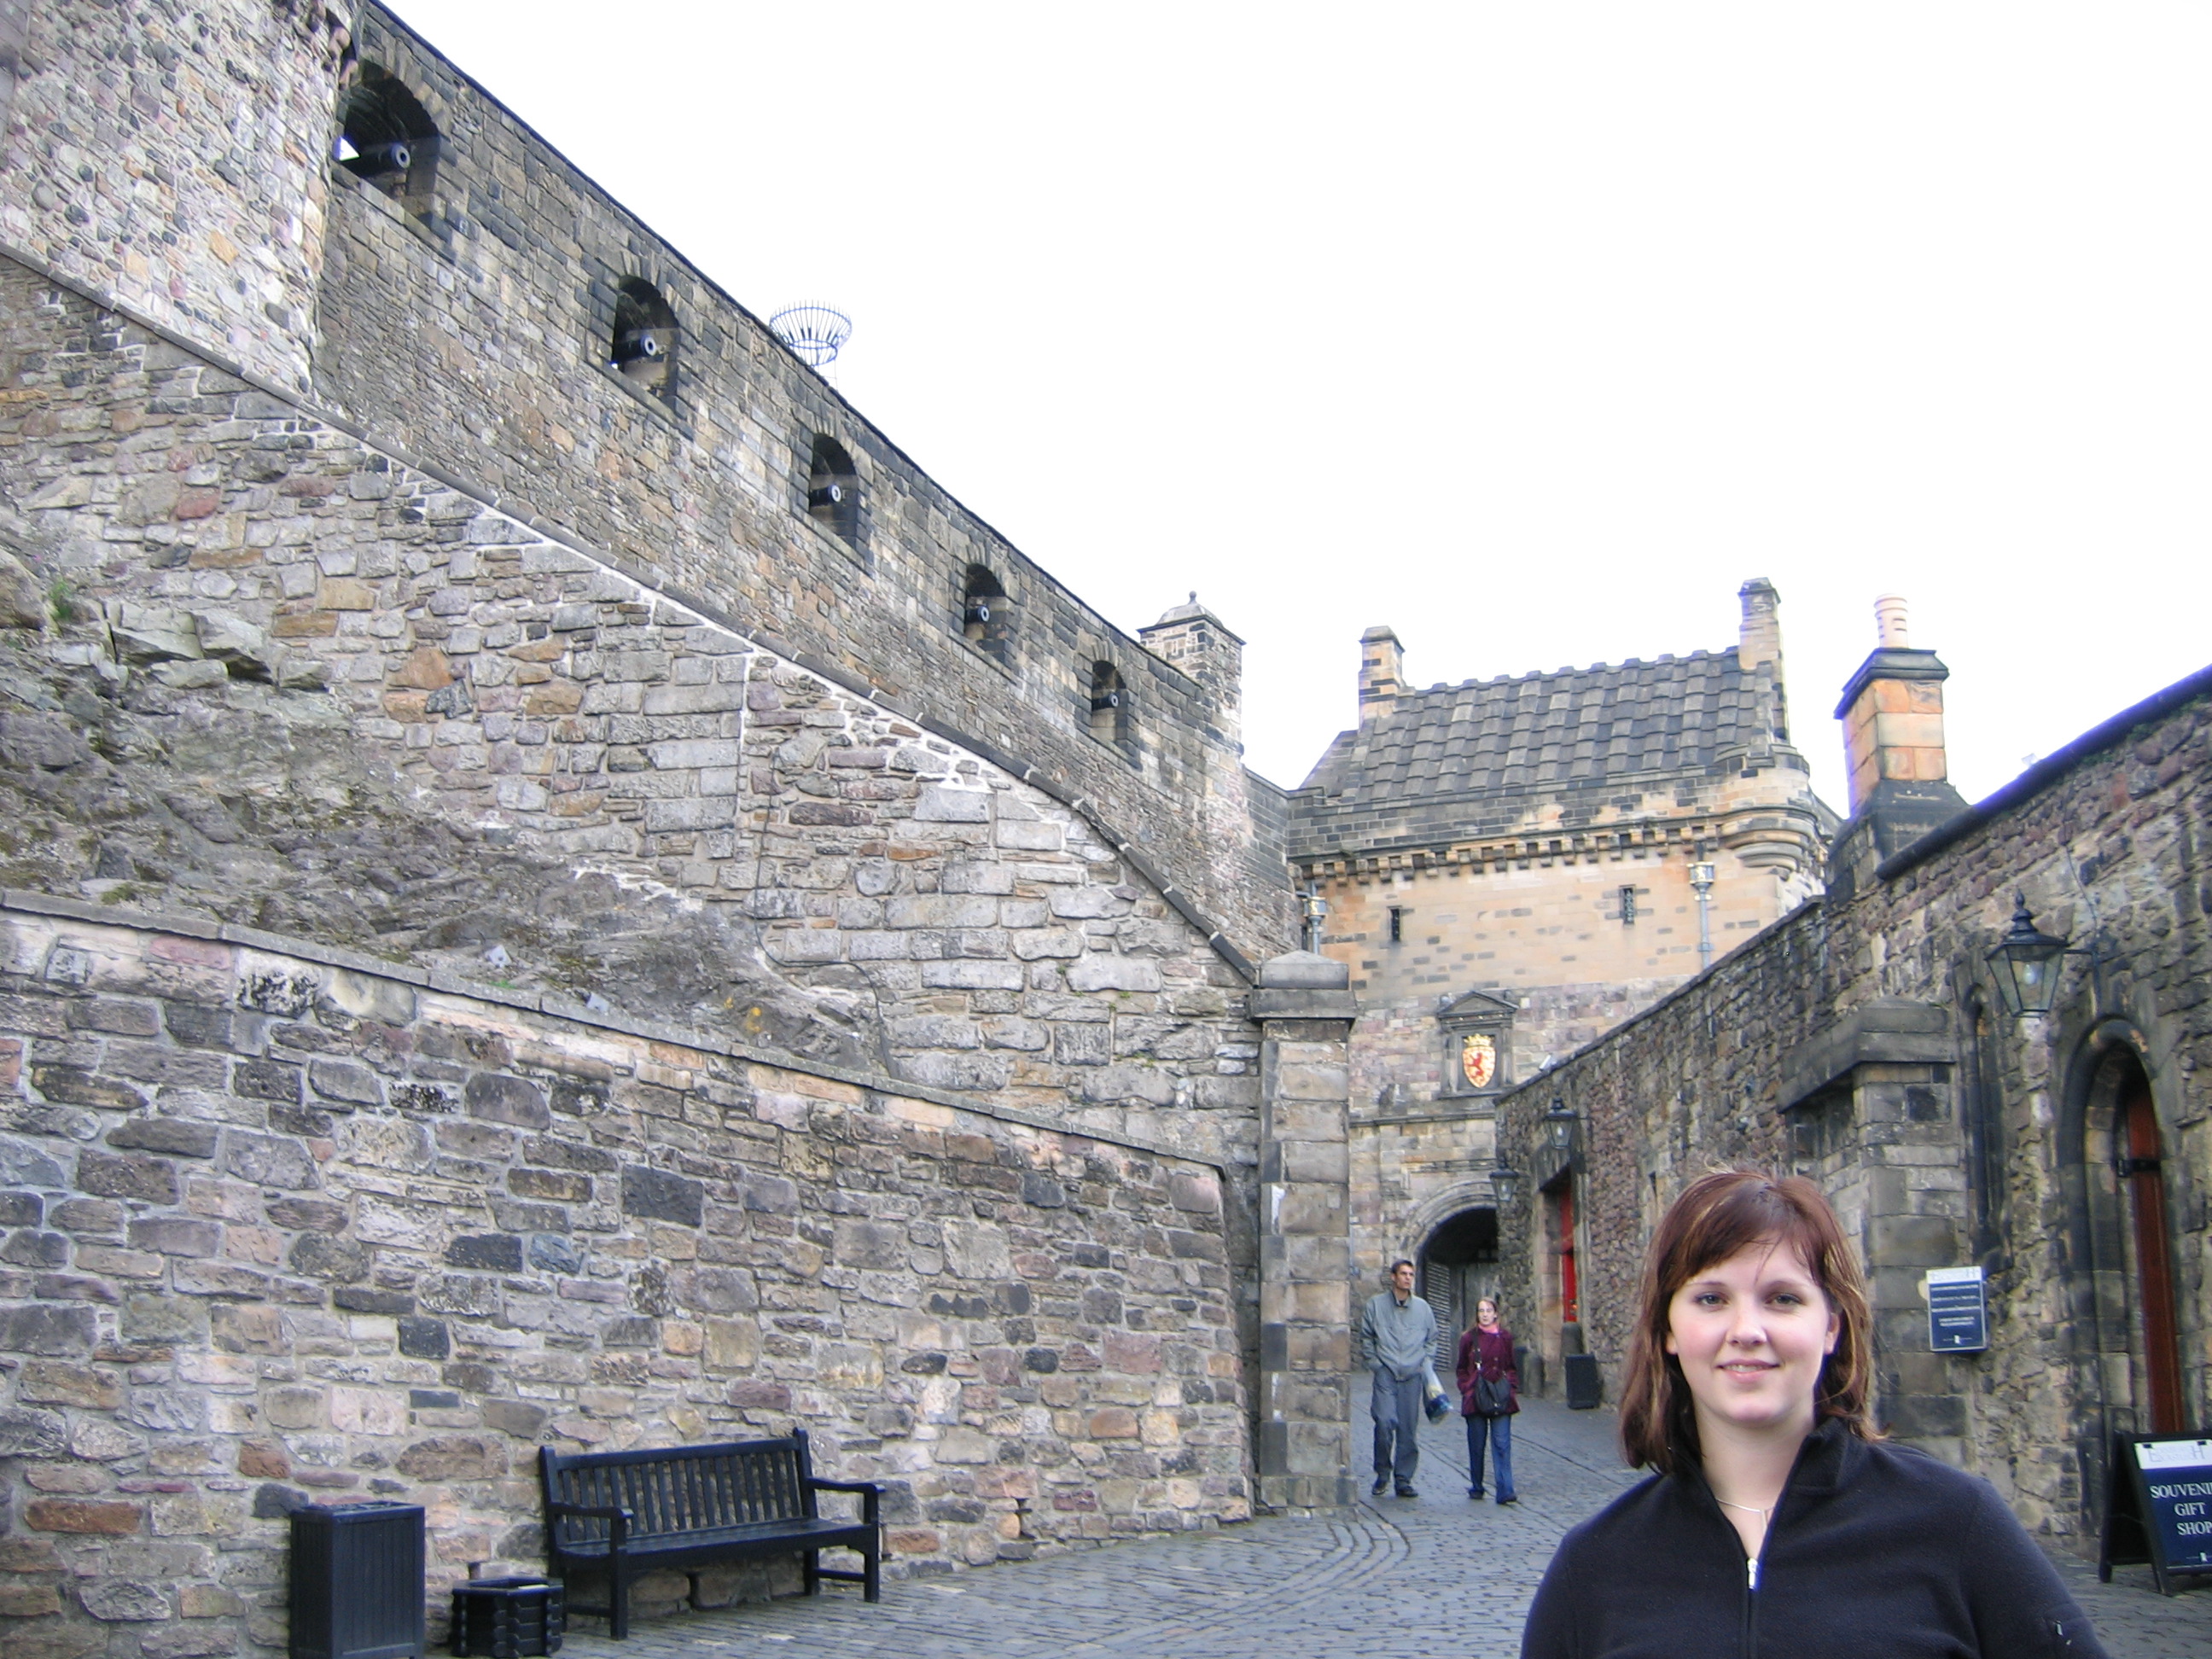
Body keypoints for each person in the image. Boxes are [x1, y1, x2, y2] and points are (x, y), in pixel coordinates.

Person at [1522, 1170, 2107, 1657]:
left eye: (1783, 1298)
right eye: (1711, 1298)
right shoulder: (1598, 1564)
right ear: (1669, 1330)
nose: (1747, 1331)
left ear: (1830, 1325)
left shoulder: (1954, 1523)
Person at [1358, 1258, 1438, 1499]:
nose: (1407, 1278)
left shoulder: (1423, 1308)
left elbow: (1432, 1338)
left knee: (1407, 1430)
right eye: (1403, 1274)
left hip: (1412, 1375)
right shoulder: (1376, 1305)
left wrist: (1425, 1363)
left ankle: (1403, 1479)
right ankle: (1383, 1471)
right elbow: (1366, 1336)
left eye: (1411, 1275)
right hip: (1386, 1373)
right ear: (1393, 1277)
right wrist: (1376, 1364)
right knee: (1384, 1422)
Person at [1455, 1295, 1518, 1505]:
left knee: (1502, 1444)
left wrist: (1510, 1386)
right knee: (1477, 1444)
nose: (1485, 1315)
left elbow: (1511, 1366)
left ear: (1496, 1314)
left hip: (1500, 1395)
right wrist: (1466, 1388)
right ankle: (1477, 1484)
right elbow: (1462, 1367)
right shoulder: (1468, 1339)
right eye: (1481, 1311)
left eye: (1488, 1311)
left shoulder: (1505, 1337)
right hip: (1476, 1395)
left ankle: (1505, 1490)